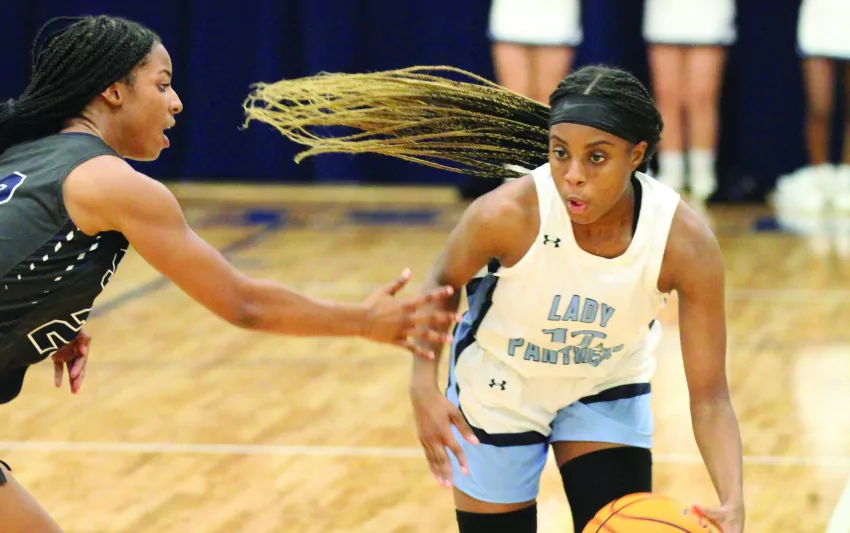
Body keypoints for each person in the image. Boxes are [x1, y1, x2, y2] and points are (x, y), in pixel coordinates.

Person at [0, 15, 460, 532]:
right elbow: (245, 304)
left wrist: (50, 314)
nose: (176, 103)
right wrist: (363, 320)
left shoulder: (23, 154)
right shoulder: (111, 182)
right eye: (162, 85)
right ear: (113, 90)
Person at [243, 64, 745, 532]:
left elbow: (710, 395)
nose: (573, 174)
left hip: (605, 384)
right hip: (500, 390)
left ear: (636, 155)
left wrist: (733, 498)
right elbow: (440, 284)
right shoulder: (505, 215)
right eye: (559, 152)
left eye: (596, 157)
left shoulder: (683, 242)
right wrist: (423, 387)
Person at [642, 0, 736, 200]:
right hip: (665, 11)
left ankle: (702, 174)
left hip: (708, 11)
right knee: (667, 94)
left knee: (702, 96)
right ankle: (671, 171)